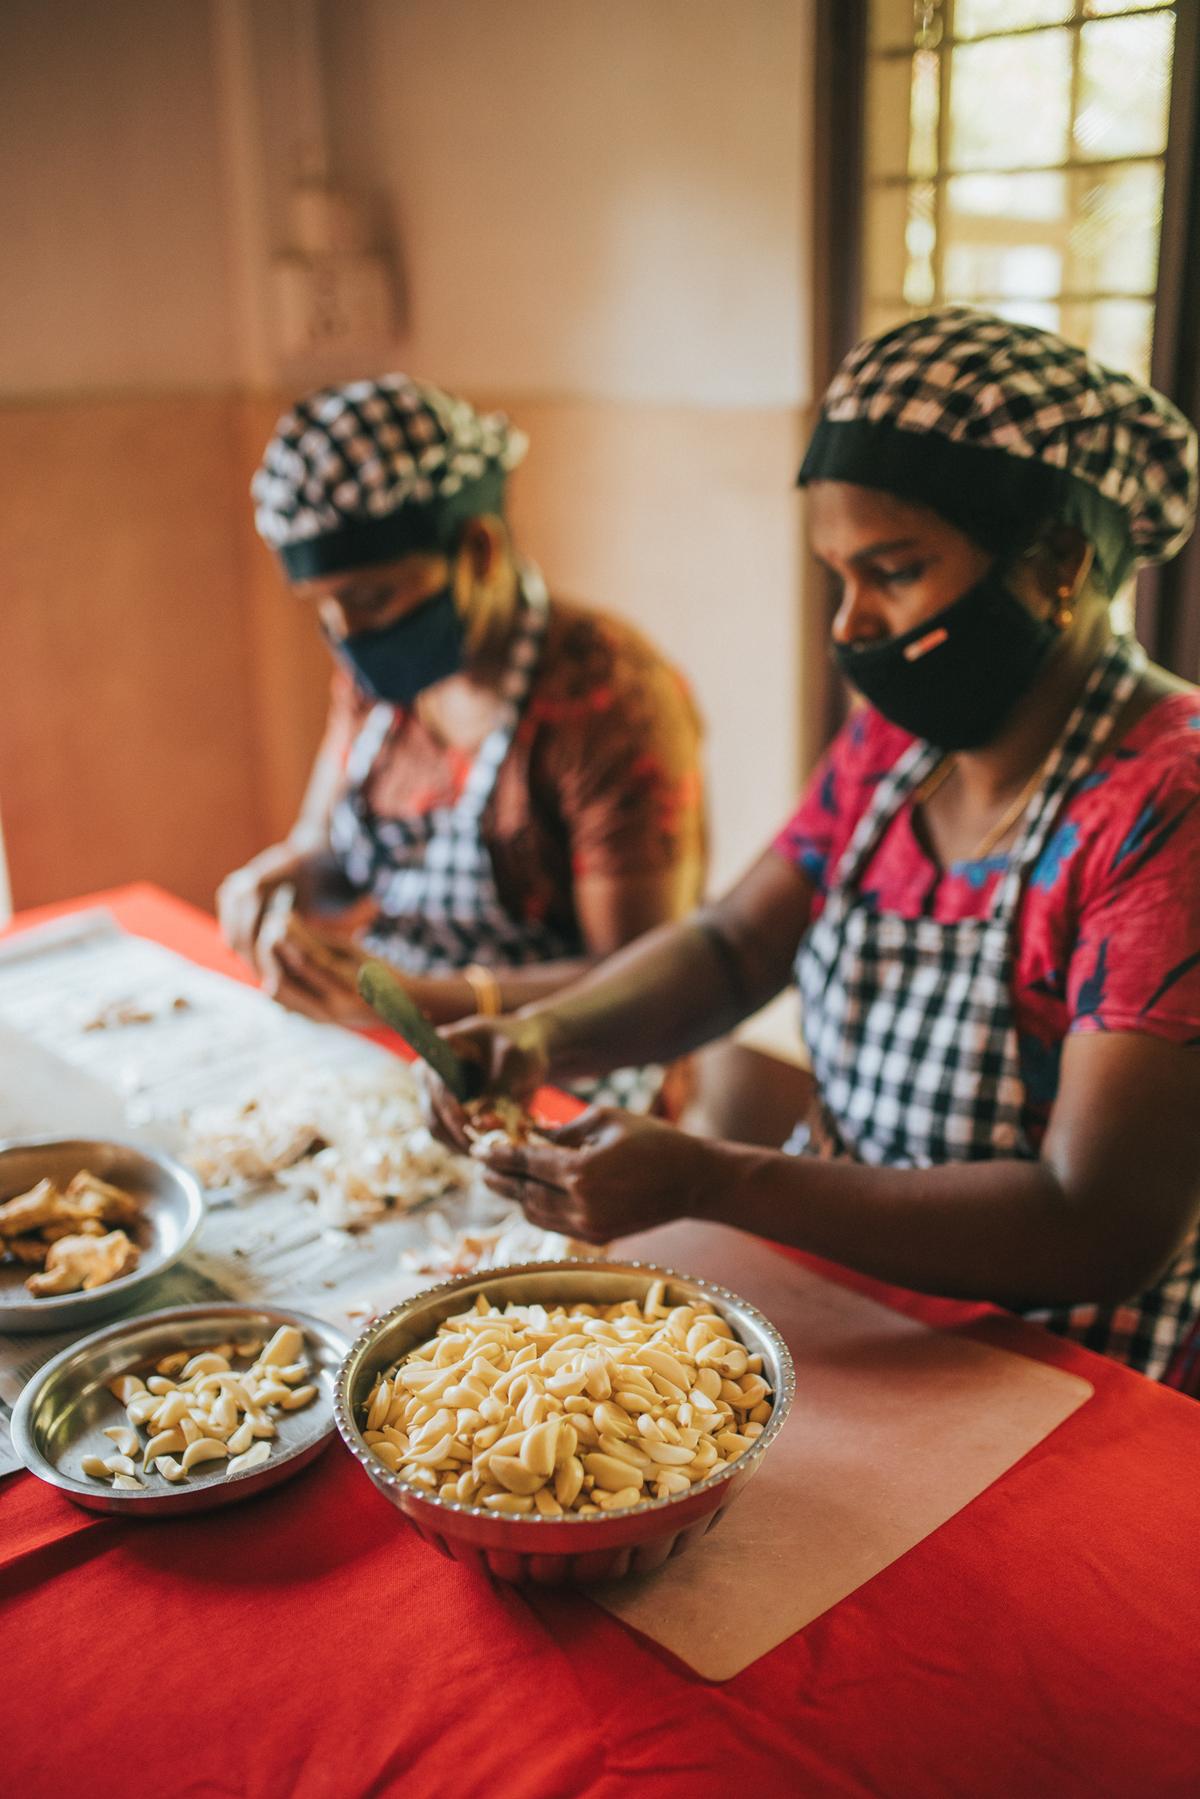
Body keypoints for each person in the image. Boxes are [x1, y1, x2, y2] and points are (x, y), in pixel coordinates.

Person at [428, 307, 1200, 1386]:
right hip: (844, 1292)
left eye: (893, 571)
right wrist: (542, 1036)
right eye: (839, 573)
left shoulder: (1167, 801)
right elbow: (737, 945)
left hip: (1049, 1362)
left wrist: (715, 1180)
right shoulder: (900, 742)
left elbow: (1100, 1217)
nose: (849, 623)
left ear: (1057, 563)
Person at [218, 375, 705, 1110]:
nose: (347, 632)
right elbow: (332, 853)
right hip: (399, 1038)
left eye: (374, 596)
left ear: (479, 550)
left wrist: (430, 998)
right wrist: (279, 883)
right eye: (325, 606)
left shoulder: (609, 699)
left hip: (568, 1071)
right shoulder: (378, 673)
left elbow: (641, 979)